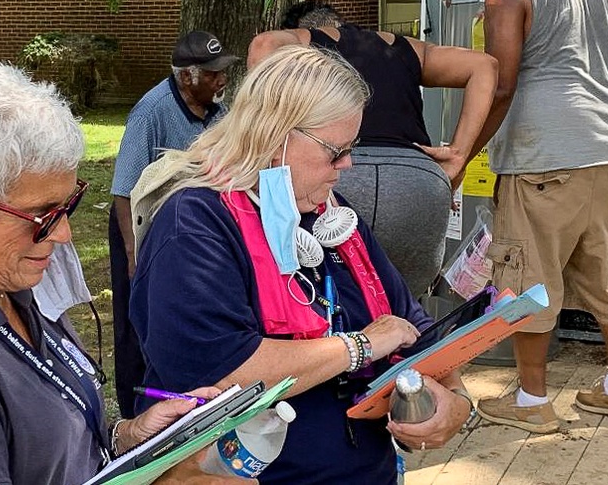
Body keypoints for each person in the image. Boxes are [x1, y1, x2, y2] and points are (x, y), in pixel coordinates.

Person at [0, 61, 250, 484]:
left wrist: (128, 440)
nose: (63, 233)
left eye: (67, 206)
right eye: (41, 215)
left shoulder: (3, 281)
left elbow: (39, 447)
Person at [129, 45, 474, 484]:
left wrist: (456, 400)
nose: (347, 165)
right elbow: (224, 370)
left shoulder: (328, 213)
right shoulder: (194, 223)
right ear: (275, 137)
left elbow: (412, 327)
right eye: (336, 151)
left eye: (352, 147)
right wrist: (358, 347)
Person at [471, 0, 608, 433]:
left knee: (528, 278)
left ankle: (532, 401)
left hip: (541, 156)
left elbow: (501, 82)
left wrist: (464, 152)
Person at [248, 1, 497, 296]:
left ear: (299, 28)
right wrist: (459, 155)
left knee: (324, 300)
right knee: (406, 307)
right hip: (418, 183)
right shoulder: (404, 47)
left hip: (343, 176)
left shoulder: (302, 41)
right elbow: (485, 66)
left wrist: (265, 138)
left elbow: (263, 44)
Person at [110, 30, 238, 418]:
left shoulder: (219, 110)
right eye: (214, 74)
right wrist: (134, 254)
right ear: (187, 77)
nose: (222, 81)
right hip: (139, 225)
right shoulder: (152, 110)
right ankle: (136, 414)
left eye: (222, 72)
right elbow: (122, 190)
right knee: (137, 322)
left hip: (189, 230)